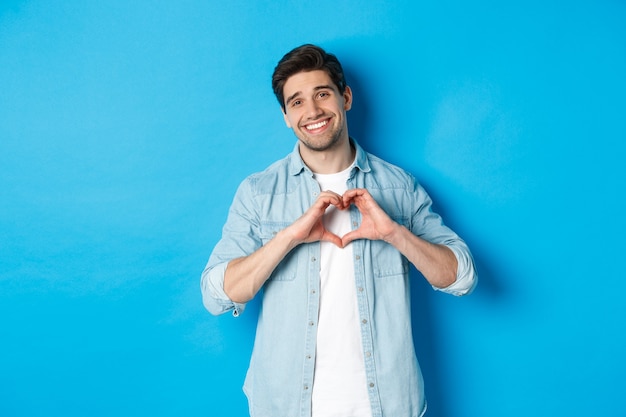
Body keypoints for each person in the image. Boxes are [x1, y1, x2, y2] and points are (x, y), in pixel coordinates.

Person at [201, 44, 477, 417]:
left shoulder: (400, 187)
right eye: (296, 102)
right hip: (285, 405)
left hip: (388, 405)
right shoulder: (258, 192)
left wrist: (395, 233)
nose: (312, 111)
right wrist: (289, 237)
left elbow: (462, 277)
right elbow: (216, 295)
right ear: (285, 115)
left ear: (345, 98)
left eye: (322, 94)